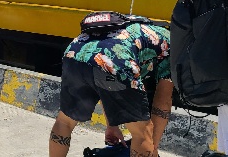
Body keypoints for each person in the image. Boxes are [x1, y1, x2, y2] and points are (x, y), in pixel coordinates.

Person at [48, 21, 173, 157]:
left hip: (75, 53)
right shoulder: (174, 47)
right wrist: (152, 147)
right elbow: (162, 103)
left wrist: (112, 125)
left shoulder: (141, 28)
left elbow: (104, 84)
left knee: (64, 121)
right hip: (115, 58)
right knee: (142, 132)